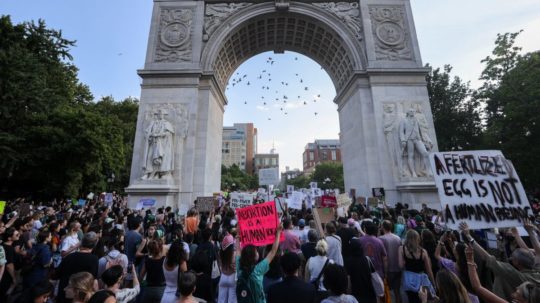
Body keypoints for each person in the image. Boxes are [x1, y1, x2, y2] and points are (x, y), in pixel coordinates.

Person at [460, 222, 540, 301]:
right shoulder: (537, 270)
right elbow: (538, 253)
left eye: (512, 257)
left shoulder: (515, 274)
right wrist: (527, 232)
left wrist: (468, 236)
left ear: (517, 263)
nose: (517, 288)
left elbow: (487, 258)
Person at [465, 245, 540, 303]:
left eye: (517, 293)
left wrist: (470, 260)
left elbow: (477, 287)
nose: (512, 294)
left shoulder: (518, 276)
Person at [236, 224, 282, 303]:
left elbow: (237, 250)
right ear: (253, 257)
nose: (258, 253)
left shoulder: (239, 266)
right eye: (256, 252)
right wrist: (278, 233)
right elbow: (273, 252)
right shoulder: (258, 270)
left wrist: (238, 236)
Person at [55, 232, 99, 303]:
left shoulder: (69, 257)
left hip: (64, 293)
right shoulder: (94, 259)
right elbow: (93, 279)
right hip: (79, 296)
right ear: (94, 245)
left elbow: (56, 275)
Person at [398, 230, 435, 303]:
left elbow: (400, 265)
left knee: (411, 299)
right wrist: (433, 283)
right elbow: (429, 270)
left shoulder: (401, 249)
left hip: (408, 279)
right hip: (421, 279)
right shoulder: (423, 251)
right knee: (422, 299)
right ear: (418, 238)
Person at [142, 109, 175, 179]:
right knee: (150, 157)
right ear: (157, 115)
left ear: (164, 115)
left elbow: (169, 133)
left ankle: (157, 173)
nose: (160, 115)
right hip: (153, 143)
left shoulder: (167, 123)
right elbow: (147, 132)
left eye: (162, 114)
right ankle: (148, 173)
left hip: (163, 144)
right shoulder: (153, 123)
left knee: (159, 159)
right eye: (159, 114)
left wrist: (159, 135)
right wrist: (151, 135)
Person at [346, 238, 376, 303]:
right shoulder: (367, 259)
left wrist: (348, 293)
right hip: (369, 292)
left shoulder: (349, 261)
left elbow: (348, 279)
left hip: (356, 294)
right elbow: (374, 275)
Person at [378, 220, 402, 303]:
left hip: (388, 269)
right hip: (398, 268)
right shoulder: (398, 238)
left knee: (386, 292)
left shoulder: (381, 238)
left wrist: (385, 272)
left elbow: (382, 256)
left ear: (383, 227)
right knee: (397, 291)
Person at [140, 238, 167, 303]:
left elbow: (141, 276)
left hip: (149, 289)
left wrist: (142, 283)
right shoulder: (164, 260)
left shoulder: (147, 261)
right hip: (161, 289)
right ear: (160, 249)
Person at [218, 234, 236, 303]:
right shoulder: (234, 254)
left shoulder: (220, 253)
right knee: (232, 301)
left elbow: (220, 265)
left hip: (223, 277)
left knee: (221, 300)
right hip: (232, 278)